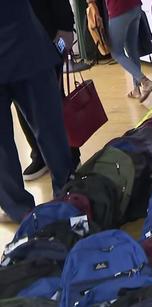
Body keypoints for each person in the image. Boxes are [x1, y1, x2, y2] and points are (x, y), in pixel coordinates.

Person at [0, 2, 74, 223]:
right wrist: (64, 27)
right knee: (48, 128)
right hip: (29, 49)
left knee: (49, 128)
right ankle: (64, 193)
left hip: (28, 47)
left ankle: (25, 207)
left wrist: (64, 26)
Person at [17, 0, 81, 181]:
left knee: (53, 103)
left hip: (48, 42)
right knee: (22, 106)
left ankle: (70, 156)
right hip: (15, 52)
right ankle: (39, 154)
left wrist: (65, 32)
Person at [101, 0, 152, 101]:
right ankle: (136, 89)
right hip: (135, 6)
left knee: (117, 53)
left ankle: (145, 81)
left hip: (118, 9)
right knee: (132, 50)